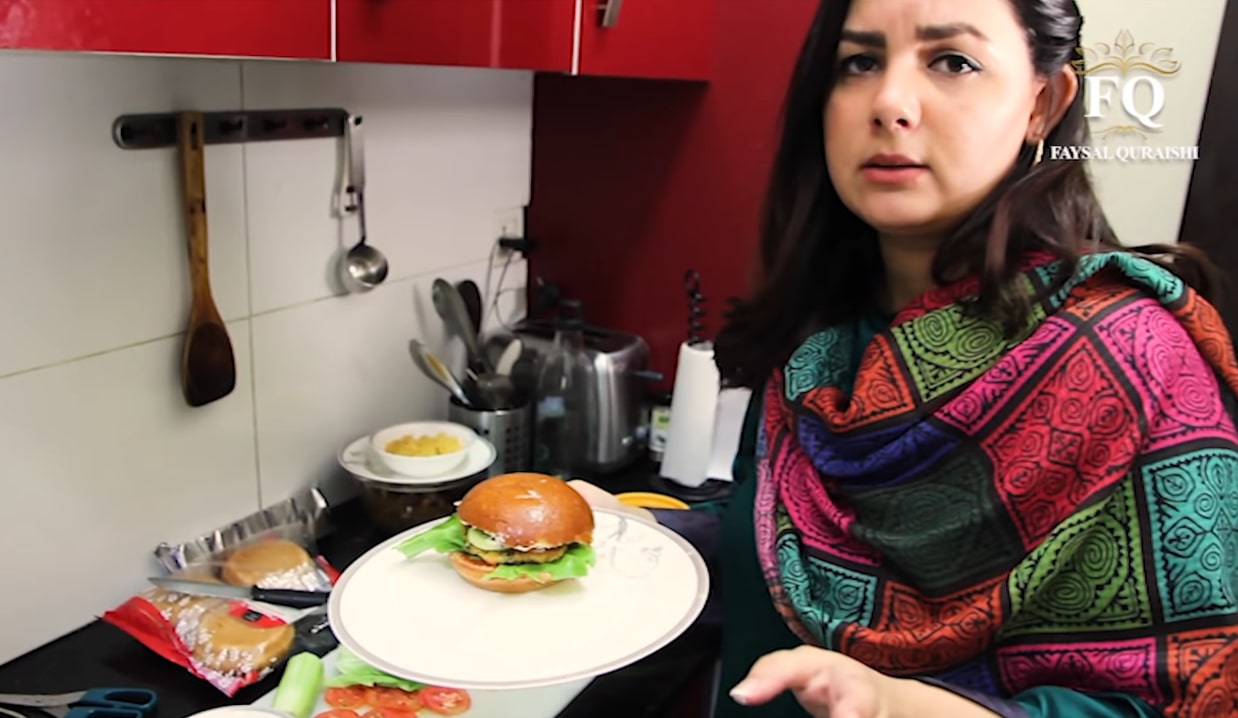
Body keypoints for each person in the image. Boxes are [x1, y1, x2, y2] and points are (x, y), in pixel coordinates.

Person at [570, 0, 1238, 715]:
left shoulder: (1133, 361)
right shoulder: (818, 343)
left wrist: (899, 705)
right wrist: (647, 535)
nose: (888, 101)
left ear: (1044, 102)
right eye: (859, 63)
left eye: (952, 61)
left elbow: (1189, 692)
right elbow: (776, 545)